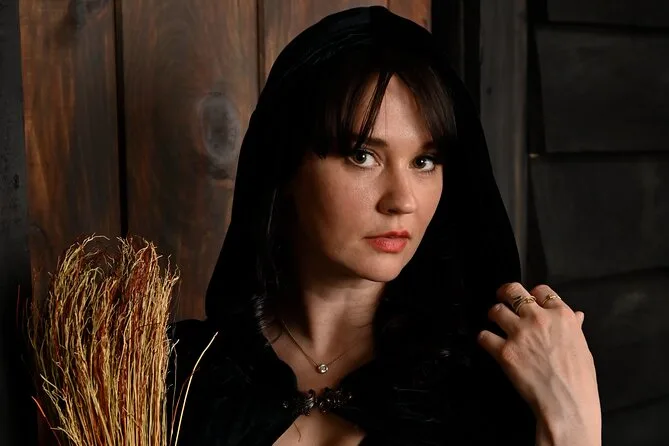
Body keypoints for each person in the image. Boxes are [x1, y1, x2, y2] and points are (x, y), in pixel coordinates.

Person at [167, 6, 601, 445]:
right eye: (362, 156)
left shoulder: (490, 386)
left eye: (424, 161)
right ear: (286, 167)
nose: (403, 201)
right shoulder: (179, 374)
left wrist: (572, 423)